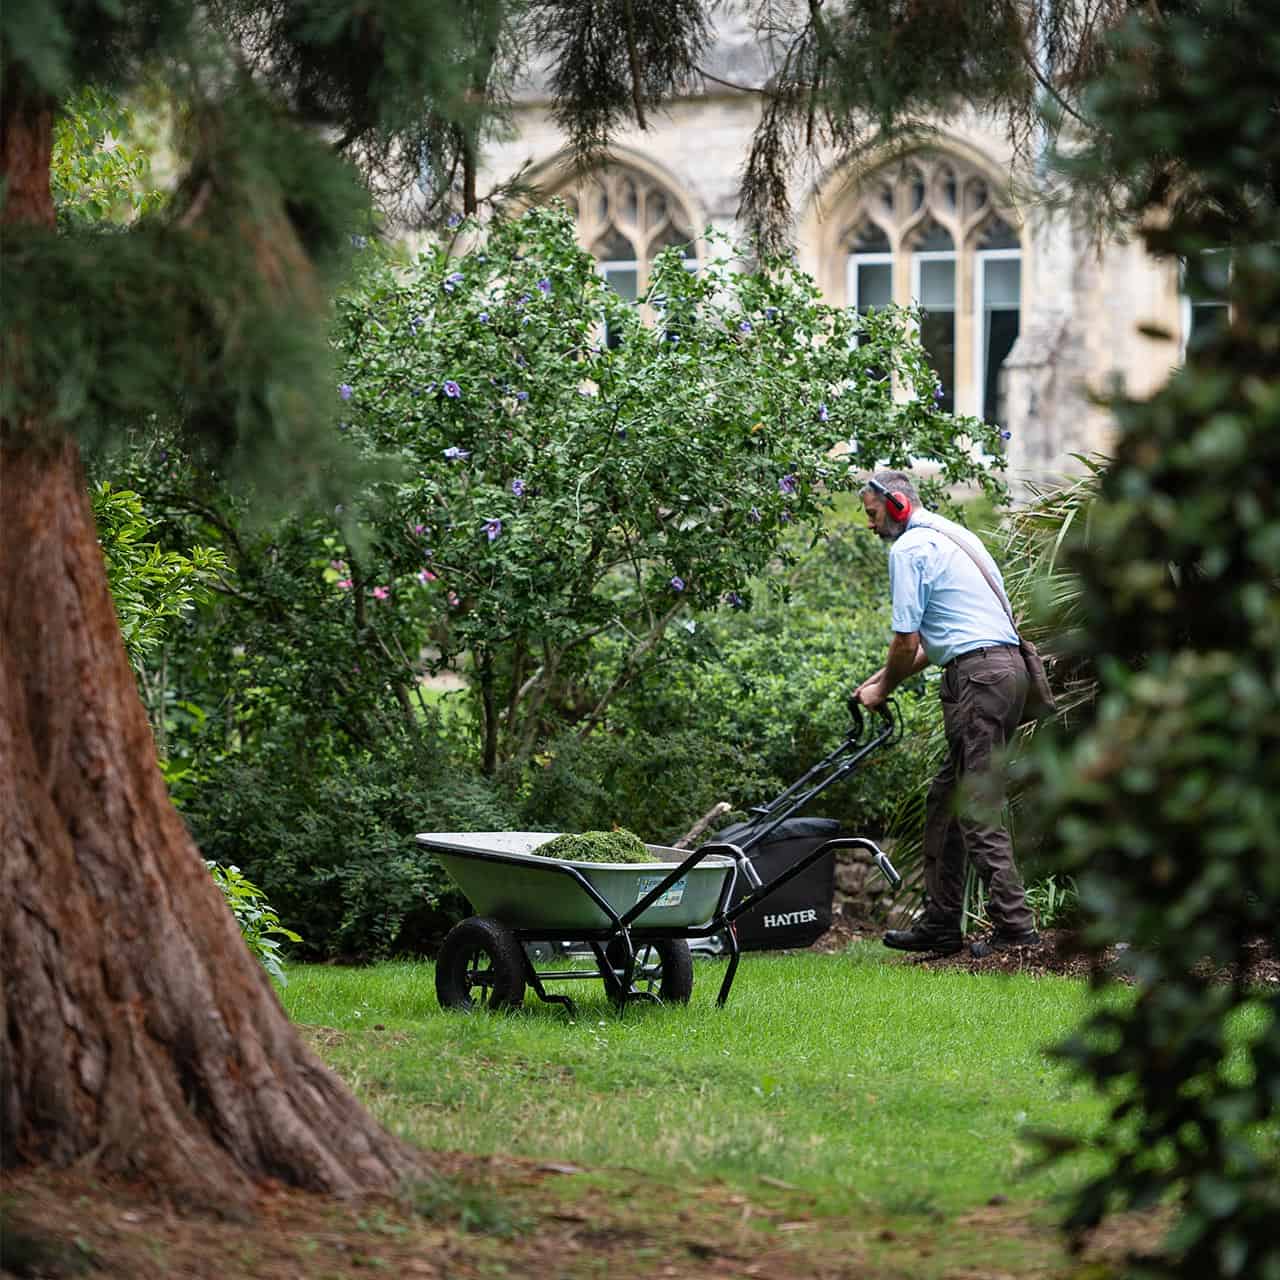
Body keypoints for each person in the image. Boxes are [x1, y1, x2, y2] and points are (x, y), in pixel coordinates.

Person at [853, 469, 1040, 958]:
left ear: (896, 505)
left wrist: (884, 685)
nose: (870, 526)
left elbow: (905, 639)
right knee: (945, 801)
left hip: (978, 678)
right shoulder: (955, 535)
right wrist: (880, 681)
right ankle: (940, 923)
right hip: (999, 672)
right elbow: (939, 642)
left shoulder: (910, 549)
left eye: (872, 514)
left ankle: (1016, 931)